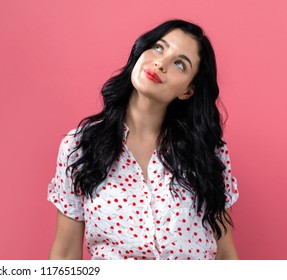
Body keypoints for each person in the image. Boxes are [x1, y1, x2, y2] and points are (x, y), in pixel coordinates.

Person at [47, 19, 239, 260]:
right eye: (159, 47)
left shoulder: (209, 153)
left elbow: (226, 256)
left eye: (180, 63)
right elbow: (65, 255)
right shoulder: (79, 147)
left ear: (188, 91)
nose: (161, 63)